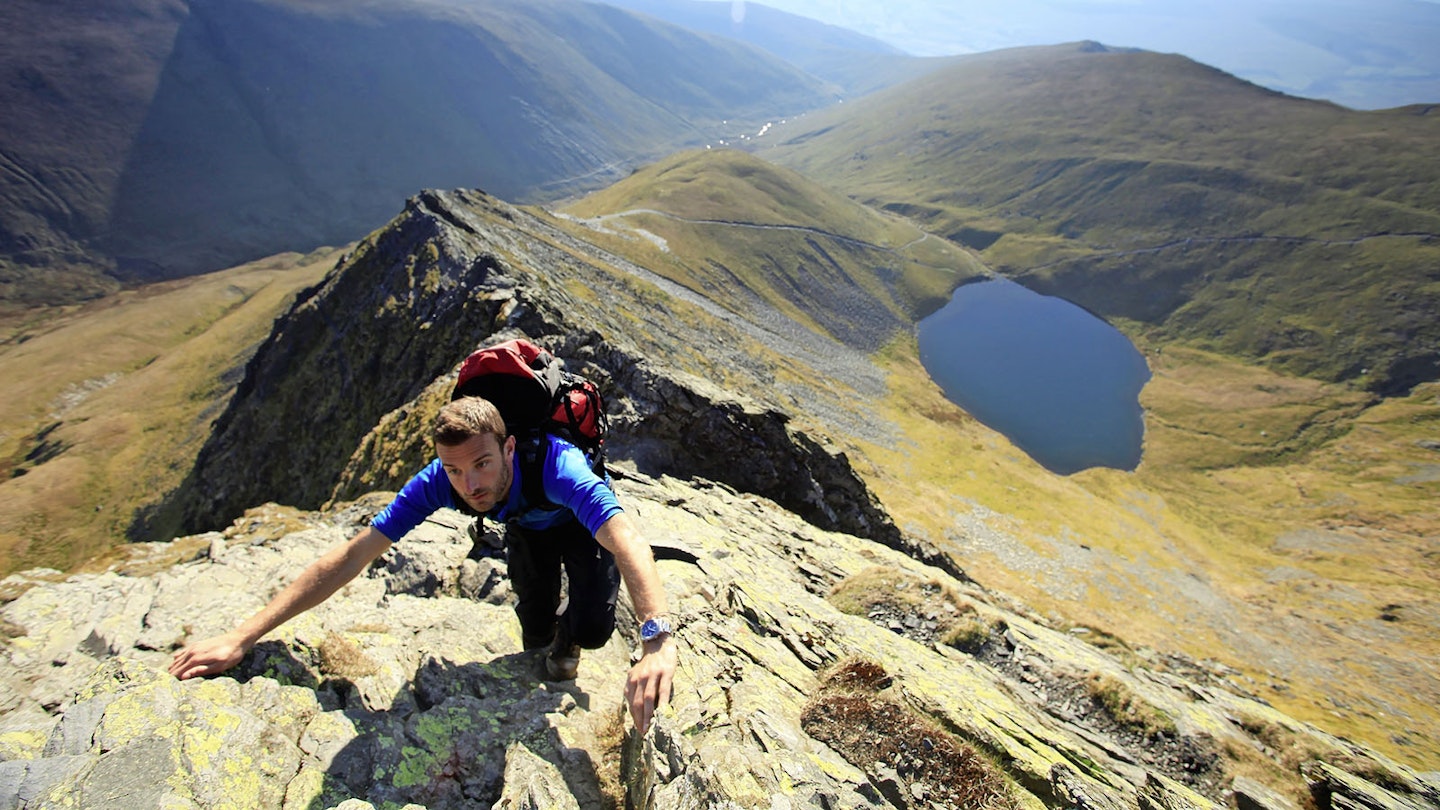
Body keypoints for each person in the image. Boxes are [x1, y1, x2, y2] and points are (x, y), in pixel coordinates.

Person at [169, 395, 678, 733]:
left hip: (570, 519)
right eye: (455, 471)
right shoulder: (440, 481)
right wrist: (244, 636)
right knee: (535, 629)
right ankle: (553, 635)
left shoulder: (559, 466)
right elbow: (351, 557)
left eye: (482, 464)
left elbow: (628, 540)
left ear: (509, 447)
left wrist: (655, 640)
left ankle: (576, 635)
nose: (470, 485)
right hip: (526, 526)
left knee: (591, 627)